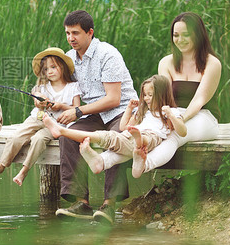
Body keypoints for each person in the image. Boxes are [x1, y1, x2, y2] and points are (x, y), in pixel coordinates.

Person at [55, 10, 138, 224]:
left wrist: (79, 111)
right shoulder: (70, 57)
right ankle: (81, 202)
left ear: (90, 32)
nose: (70, 38)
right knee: (68, 136)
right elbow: (66, 90)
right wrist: (51, 101)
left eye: (75, 33)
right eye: (67, 33)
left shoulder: (108, 54)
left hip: (121, 110)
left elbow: (113, 98)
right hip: (94, 114)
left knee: (117, 136)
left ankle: (109, 205)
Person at [129, 12, 221, 177]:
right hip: (174, 114)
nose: (180, 39)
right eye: (176, 35)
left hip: (204, 117)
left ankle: (144, 164)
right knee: (142, 130)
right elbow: (163, 98)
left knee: (174, 134)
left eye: (186, 35)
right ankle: (104, 160)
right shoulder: (166, 62)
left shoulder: (212, 63)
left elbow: (199, 99)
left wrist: (179, 120)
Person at [43, 75, 187, 179]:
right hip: (131, 135)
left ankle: (62, 131)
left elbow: (182, 131)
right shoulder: (143, 111)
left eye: (151, 95)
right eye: (145, 95)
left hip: (151, 137)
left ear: (162, 95)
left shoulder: (170, 111)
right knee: (114, 136)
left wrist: (171, 115)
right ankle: (108, 158)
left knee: (120, 137)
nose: (147, 98)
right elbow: (124, 126)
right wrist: (129, 109)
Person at [0, 47, 82, 186]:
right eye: (46, 69)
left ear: (63, 67)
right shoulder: (42, 87)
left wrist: (60, 106)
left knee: (38, 139)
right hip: (38, 118)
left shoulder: (72, 87)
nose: (50, 71)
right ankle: (2, 165)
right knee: (15, 137)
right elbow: (37, 100)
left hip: (55, 124)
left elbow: (76, 109)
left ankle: (24, 171)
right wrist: (41, 101)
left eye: (53, 67)